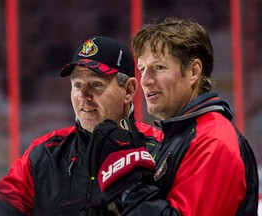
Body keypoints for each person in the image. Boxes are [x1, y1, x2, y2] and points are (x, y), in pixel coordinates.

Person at [84, 18, 259, 215]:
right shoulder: (177, 138)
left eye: (159, 67)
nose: (146, 80)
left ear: (194, 71)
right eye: (142, 69)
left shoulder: (213, 140)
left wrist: (129, 179)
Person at [0, 36, 163, 215]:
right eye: (77, 84)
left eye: (96, 84)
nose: (83, 95)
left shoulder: (159, 149)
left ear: (128, 90)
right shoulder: (46, 153)